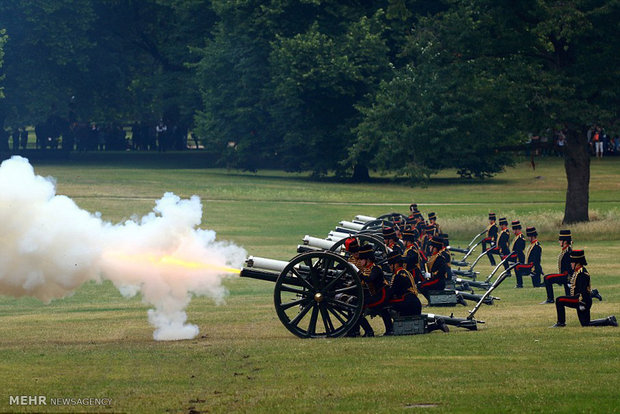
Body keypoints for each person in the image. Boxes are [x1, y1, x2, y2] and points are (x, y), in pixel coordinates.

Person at [386, 251, 448, 333]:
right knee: (414, 327)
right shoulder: (406, 272)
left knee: (386, 307)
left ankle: (389, 330)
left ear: (396, 264)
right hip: (414, 303)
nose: (390, 267)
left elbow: (392, 292)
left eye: (391, 264)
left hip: (408, 304)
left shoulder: (398, 275)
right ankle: (437, 325)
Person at [552, 250, 617, 327]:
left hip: (582, 300)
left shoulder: (582, 273)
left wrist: (581, 303)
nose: (571, 264)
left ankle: (561, 322)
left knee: (559, 300)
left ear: (577, 262)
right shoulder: (578, 271)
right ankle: (608, 320)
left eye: (572, 262)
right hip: (582, 299)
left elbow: (583, 290)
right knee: (586, 324)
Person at [357, 244, 394, 336]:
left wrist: (359, 274)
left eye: (361, 259)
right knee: (382, 311)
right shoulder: (366, 270)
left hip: (382, 295)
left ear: (367, 259)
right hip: (377, 295)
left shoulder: (376, 269)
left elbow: (370, 279)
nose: (360, 261)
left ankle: (369, 331)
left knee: (359, 309)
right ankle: (389, 330)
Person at [508, 220, 527, 288]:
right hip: (517, 255)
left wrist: (517, 257)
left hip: (519, 256)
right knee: (516, 270)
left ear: (517, 229)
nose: (513, 231)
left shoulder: (520, 237)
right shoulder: (517, 237)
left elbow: (519, 249)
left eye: (514, 229)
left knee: (518, 270)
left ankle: (520, 284)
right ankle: (519, 283)